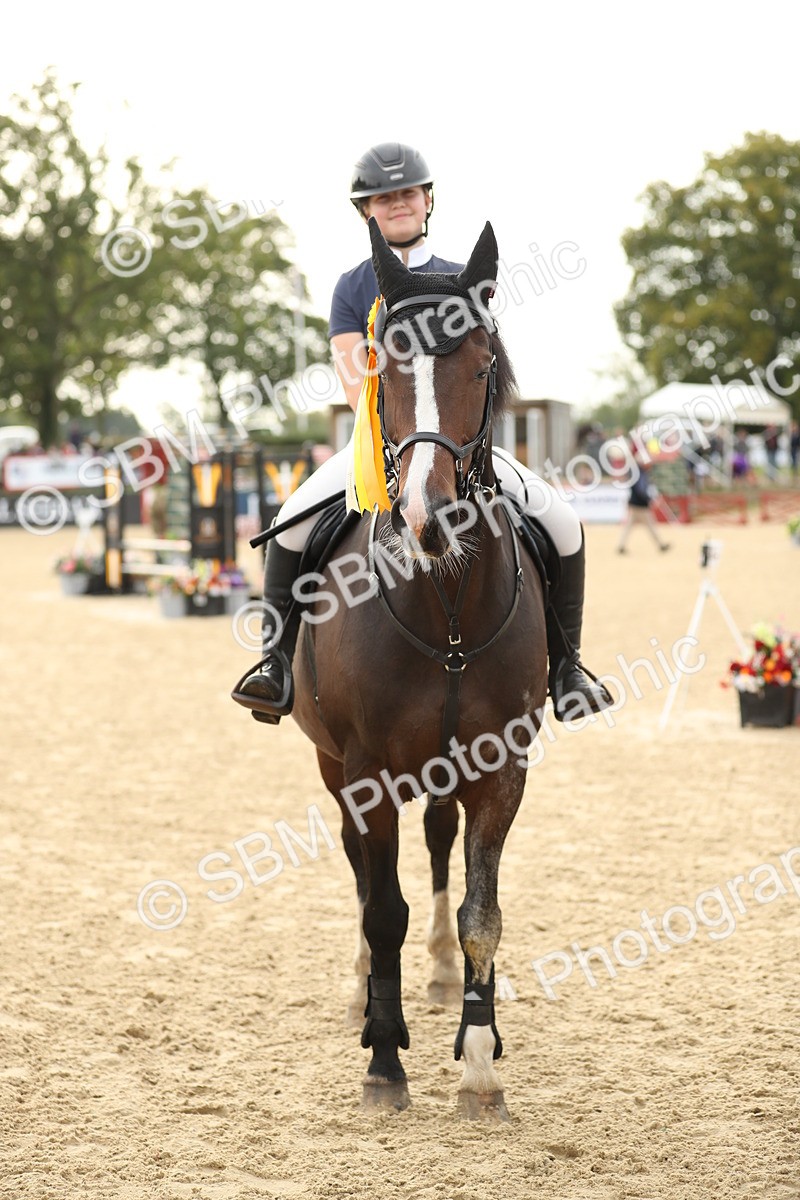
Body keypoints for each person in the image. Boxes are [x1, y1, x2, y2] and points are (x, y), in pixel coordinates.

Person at [233, 142, 612, 725]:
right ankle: (275, 664)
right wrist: (398, 441)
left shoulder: (461, 279)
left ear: (428, 199)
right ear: (365, 211)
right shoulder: (352, 287)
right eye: (383, 198)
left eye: (407, 193)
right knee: (291, 520)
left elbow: (486, 370)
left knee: (560, 519)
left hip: (462, 450)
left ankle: (567, 668)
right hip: (381, 443)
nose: (397, 205)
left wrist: (452, 441)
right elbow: (352, 375)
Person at [617, 449, 670, 554]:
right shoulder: (640, 474)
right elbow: (641, 490)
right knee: (650, 526)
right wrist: (649, 500)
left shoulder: (636, 472)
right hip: (641, 505)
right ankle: (661, 545)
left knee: (630, 526)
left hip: (635, 503)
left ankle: (621, 546)